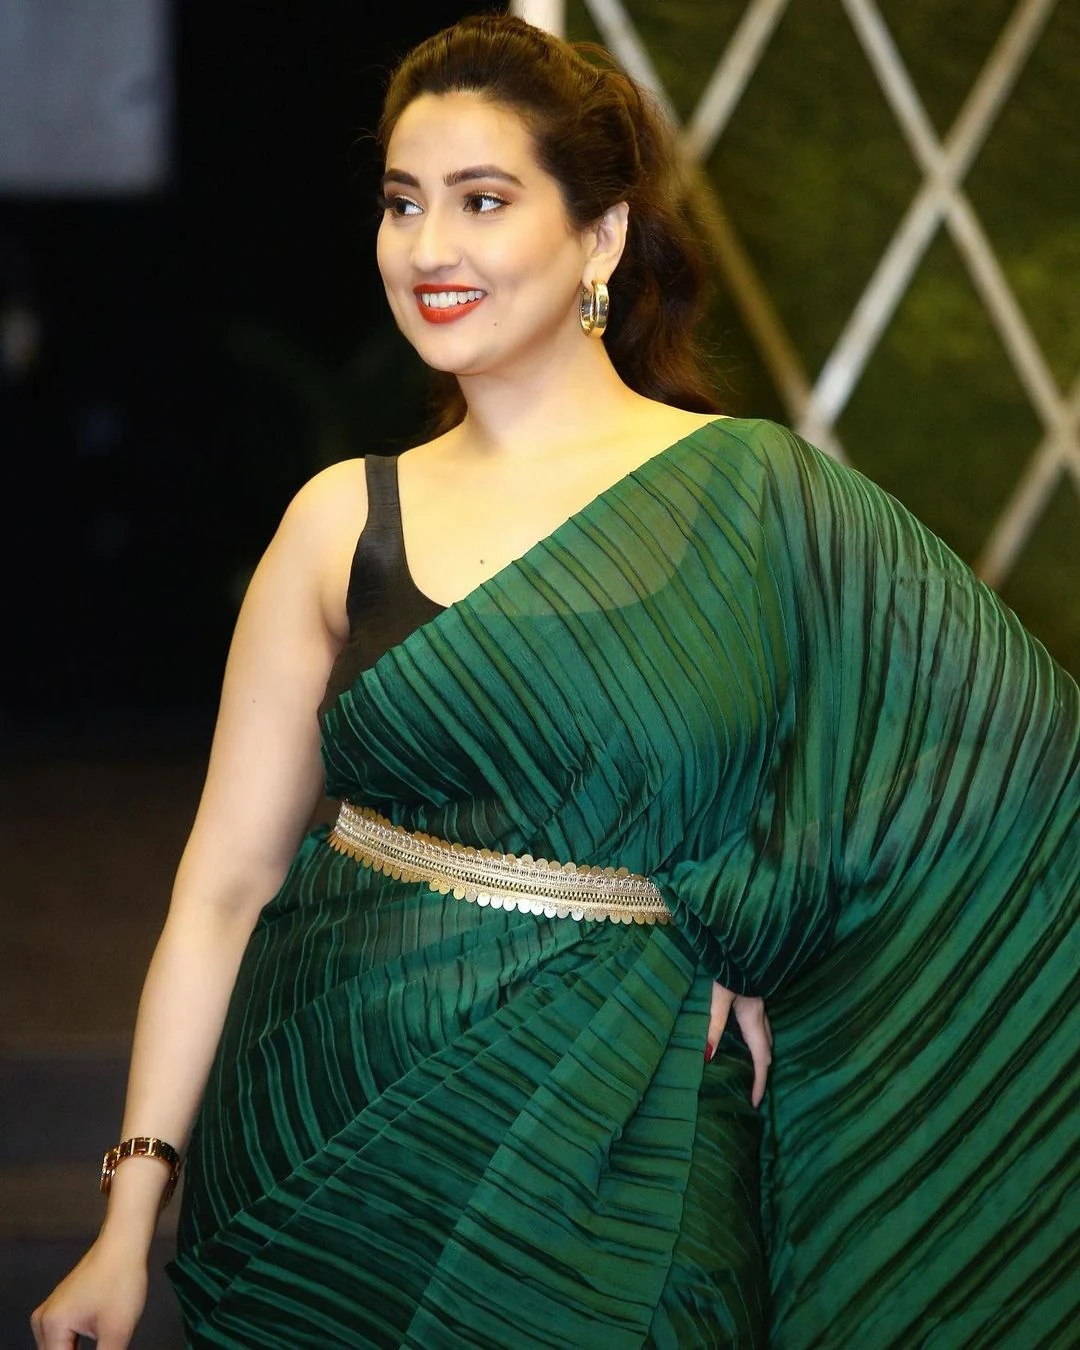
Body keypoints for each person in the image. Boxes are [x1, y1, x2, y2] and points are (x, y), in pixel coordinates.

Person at [32, 13, 1078, 1350]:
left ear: (602, 236)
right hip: (332, 1132)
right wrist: (128, 1219)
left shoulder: (755, 497)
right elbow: (224, 884)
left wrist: (754, 917)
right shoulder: (340, 520)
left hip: (637, 1132)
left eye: (483, 200)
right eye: (402, 203)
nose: (429, 247)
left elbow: (1003, 764)